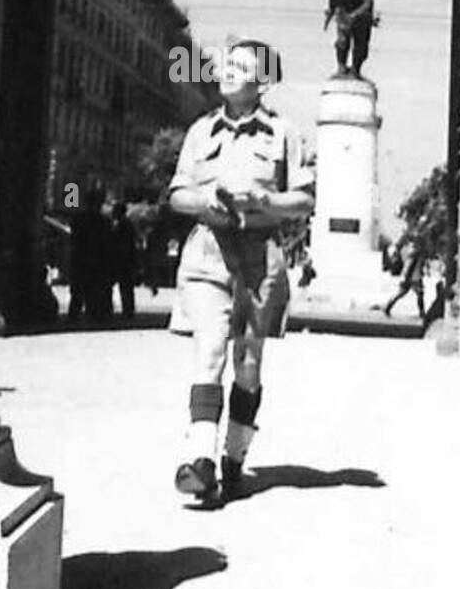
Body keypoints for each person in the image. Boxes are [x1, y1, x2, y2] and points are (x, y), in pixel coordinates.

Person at [167, 38, 315, 505]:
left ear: (263, 81)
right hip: (208, 255)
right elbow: (176, 194)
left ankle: (234, 454)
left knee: (247, 365)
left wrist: (265, 201)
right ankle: (200, 460)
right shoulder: (199, 130)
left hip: (258, 258)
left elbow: (306, 199)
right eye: (226, 64)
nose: (227, 71)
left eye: (240, 66)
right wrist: (204, 201)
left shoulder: (284, 133)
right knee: (209, 350)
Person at [67, 188, 110, 321]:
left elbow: (73, 239)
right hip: (97, 261)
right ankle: (94, 316)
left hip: (80, 260)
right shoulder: (103, 221)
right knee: (94, 292)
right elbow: (107, 243)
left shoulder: (78, 219)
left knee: (77, 293)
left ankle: (73, 317)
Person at [384, 238, 427, 320]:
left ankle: (388, 306)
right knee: (418, 294)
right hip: (414, 278)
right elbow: (411, 267)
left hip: (411, 277)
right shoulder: (416, 254)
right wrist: (408, 277)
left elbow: (411, 266)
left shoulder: (410, 252)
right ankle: (422, 313)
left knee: (402, 293)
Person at [110, 201, 140, 318]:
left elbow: (123, 243)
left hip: (123, 259)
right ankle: (128, 309)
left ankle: (128, 310)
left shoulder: (123, 225)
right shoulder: (127, 224)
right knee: (126, 287)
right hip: (126, 259)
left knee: (125, 286)